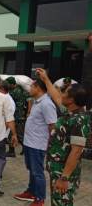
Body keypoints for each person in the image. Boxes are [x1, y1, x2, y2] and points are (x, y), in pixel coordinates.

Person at [36, 68, 90, 206]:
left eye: (65, 91)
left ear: (71, 99)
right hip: (57, 170)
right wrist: (45, 79)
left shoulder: (79, 120)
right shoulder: (70, 112)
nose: (61, 93)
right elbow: (56, 96)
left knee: (62, 203)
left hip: (63, 173)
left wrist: (64, 177)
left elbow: (76, 151)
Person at [14, 79, 57, 206]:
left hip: (38, 145)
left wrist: (50, 144)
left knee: (37, 172)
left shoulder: (46, 104)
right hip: (30, 143)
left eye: (31, 87)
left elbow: (52, 126)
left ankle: (40, 198)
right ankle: (31, 192)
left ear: (38, 88)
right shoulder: (37, 102)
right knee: (32, 169)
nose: (29, 89)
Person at [6, 76, 31, 157]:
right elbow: (29, 99)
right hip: (19, 115)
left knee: (17, 134)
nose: (7, 86)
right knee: (17, 134)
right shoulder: (22, 90)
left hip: (17, 116)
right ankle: (12, 150)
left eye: (8, 84)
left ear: (12, 84)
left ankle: (16, 151)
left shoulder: (15, 91)